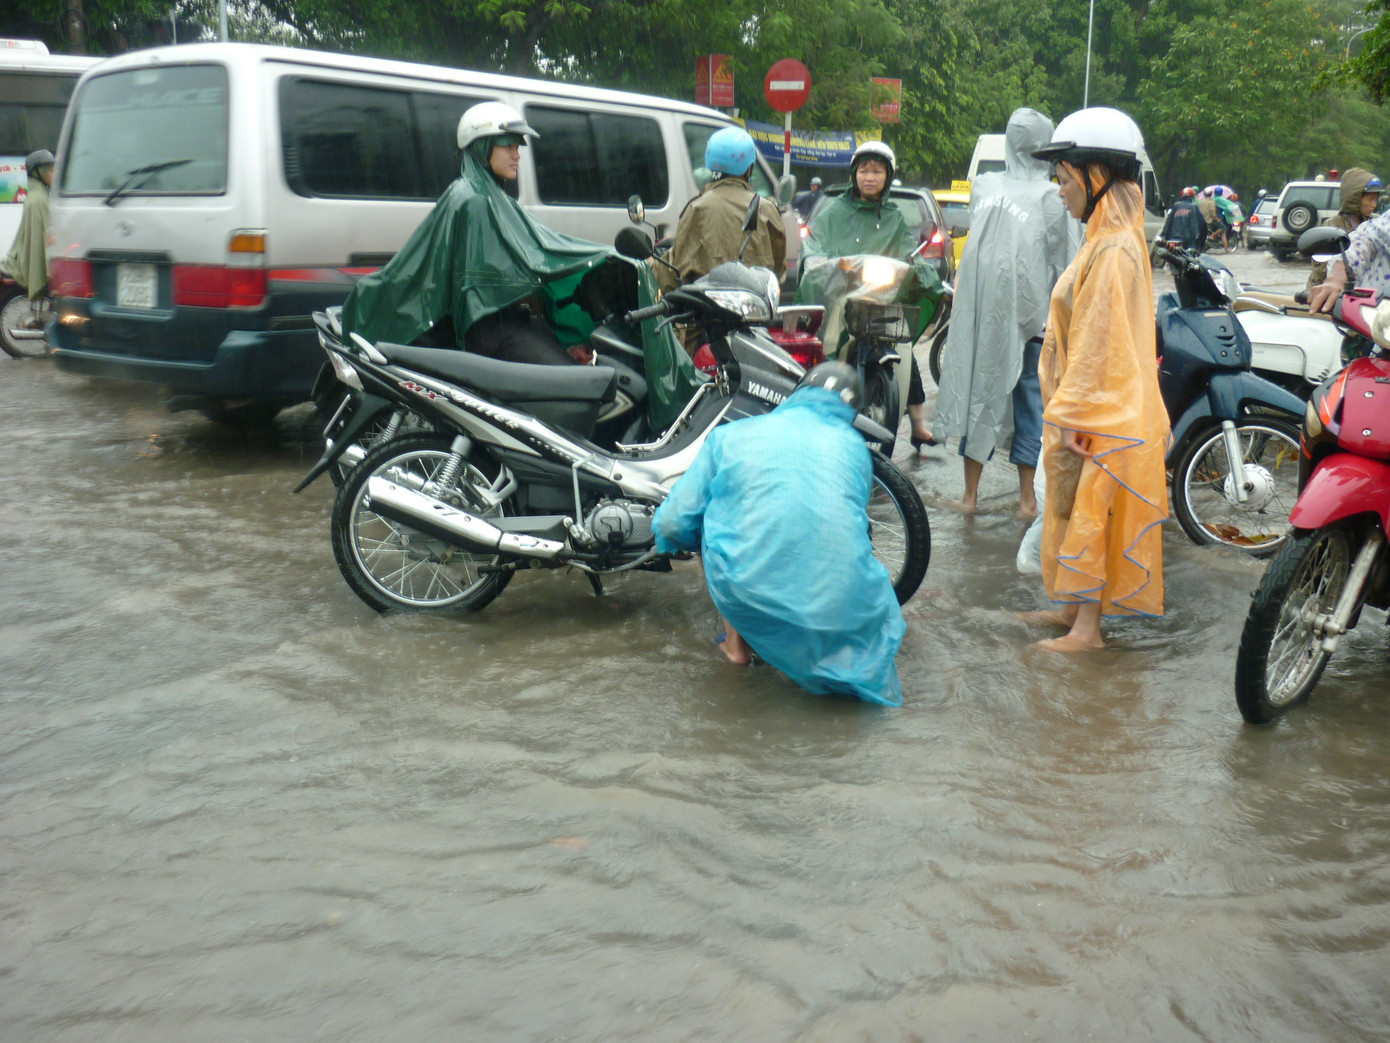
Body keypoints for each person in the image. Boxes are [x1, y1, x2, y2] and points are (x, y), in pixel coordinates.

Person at [652, 362, 906, 705]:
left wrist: (681, 542)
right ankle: (795, 660)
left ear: (798, 394)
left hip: (750, 590)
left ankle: (735, 648)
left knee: (714, 514)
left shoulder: (731, 435)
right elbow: (855, 528)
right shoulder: (856, 450)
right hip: (843, 609)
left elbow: (673, 522)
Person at [1024, 107, 1170, 652]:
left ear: (1096, 175)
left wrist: (1077, 415)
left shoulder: (1111, 249)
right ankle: (1071, 611)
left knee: (1091, 506)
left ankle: (1087, 631)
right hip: (1098, 403)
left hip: (1100, 407)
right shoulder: (1107, 239)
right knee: (1077, 504)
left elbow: (1101, 345)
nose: (1060, 191)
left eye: (1063, 179)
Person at [341, 102, 609, 365]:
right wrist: (603, 256)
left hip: (510, 321)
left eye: (517, 147)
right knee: (574, 390)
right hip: (492, 329)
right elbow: (533, 256)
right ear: (482, 147)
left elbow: (541, 246)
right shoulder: (473, 199)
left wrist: (604, 255)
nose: (517, 155)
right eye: (508, 145)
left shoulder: (494, 196)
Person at [932, 108, 1083, 516]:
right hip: (1027, 319)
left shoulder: (988, 186)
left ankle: (972, 497)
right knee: (1028, 405)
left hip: (994, 320)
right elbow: (1069, 261)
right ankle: (1026, 502)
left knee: (985, 397)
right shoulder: (1050, 195)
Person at [798, 140, 935, 449]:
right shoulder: (835, 211)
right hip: (841, 296)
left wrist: (920, 267)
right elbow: (815, 241)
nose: (869, 177)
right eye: (863, 170)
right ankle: (823, 399)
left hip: (881, 298)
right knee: (827, 342)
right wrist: (817, 259)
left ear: (887, 176)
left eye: (876, 171)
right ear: (854, 174)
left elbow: (907, 251)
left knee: (905, 347)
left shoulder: (894, 217)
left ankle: (917, 423)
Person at [659, 126, 786, 354]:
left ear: (710, 164)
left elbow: (678, 273)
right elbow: (778, 273)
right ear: (750, 168)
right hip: (756, 328)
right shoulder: (766, 209)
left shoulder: (697, 208)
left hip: (703, 331)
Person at [1, 149, 55, 326]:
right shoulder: (38, 199)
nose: (54, 174)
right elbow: (42, 236)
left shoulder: (40, 195)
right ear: (39, 172)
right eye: (50, 170)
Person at [1305, 168, 1381, 293]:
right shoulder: (1332, 226)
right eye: (1370, 199)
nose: (1374, 205)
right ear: (1355, 199)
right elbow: (1321, 270)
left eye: (1376, 199)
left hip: (1364, 293)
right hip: (1328, 293)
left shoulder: (1375, 224)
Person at [1159, 186, 1208, 254]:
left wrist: (1163, 236)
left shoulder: (1176, 205)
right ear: (1192, 196)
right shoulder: (1194, 207)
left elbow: (1168, 223)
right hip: (1189, 240)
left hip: (1172, 237)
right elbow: (1202, 225)